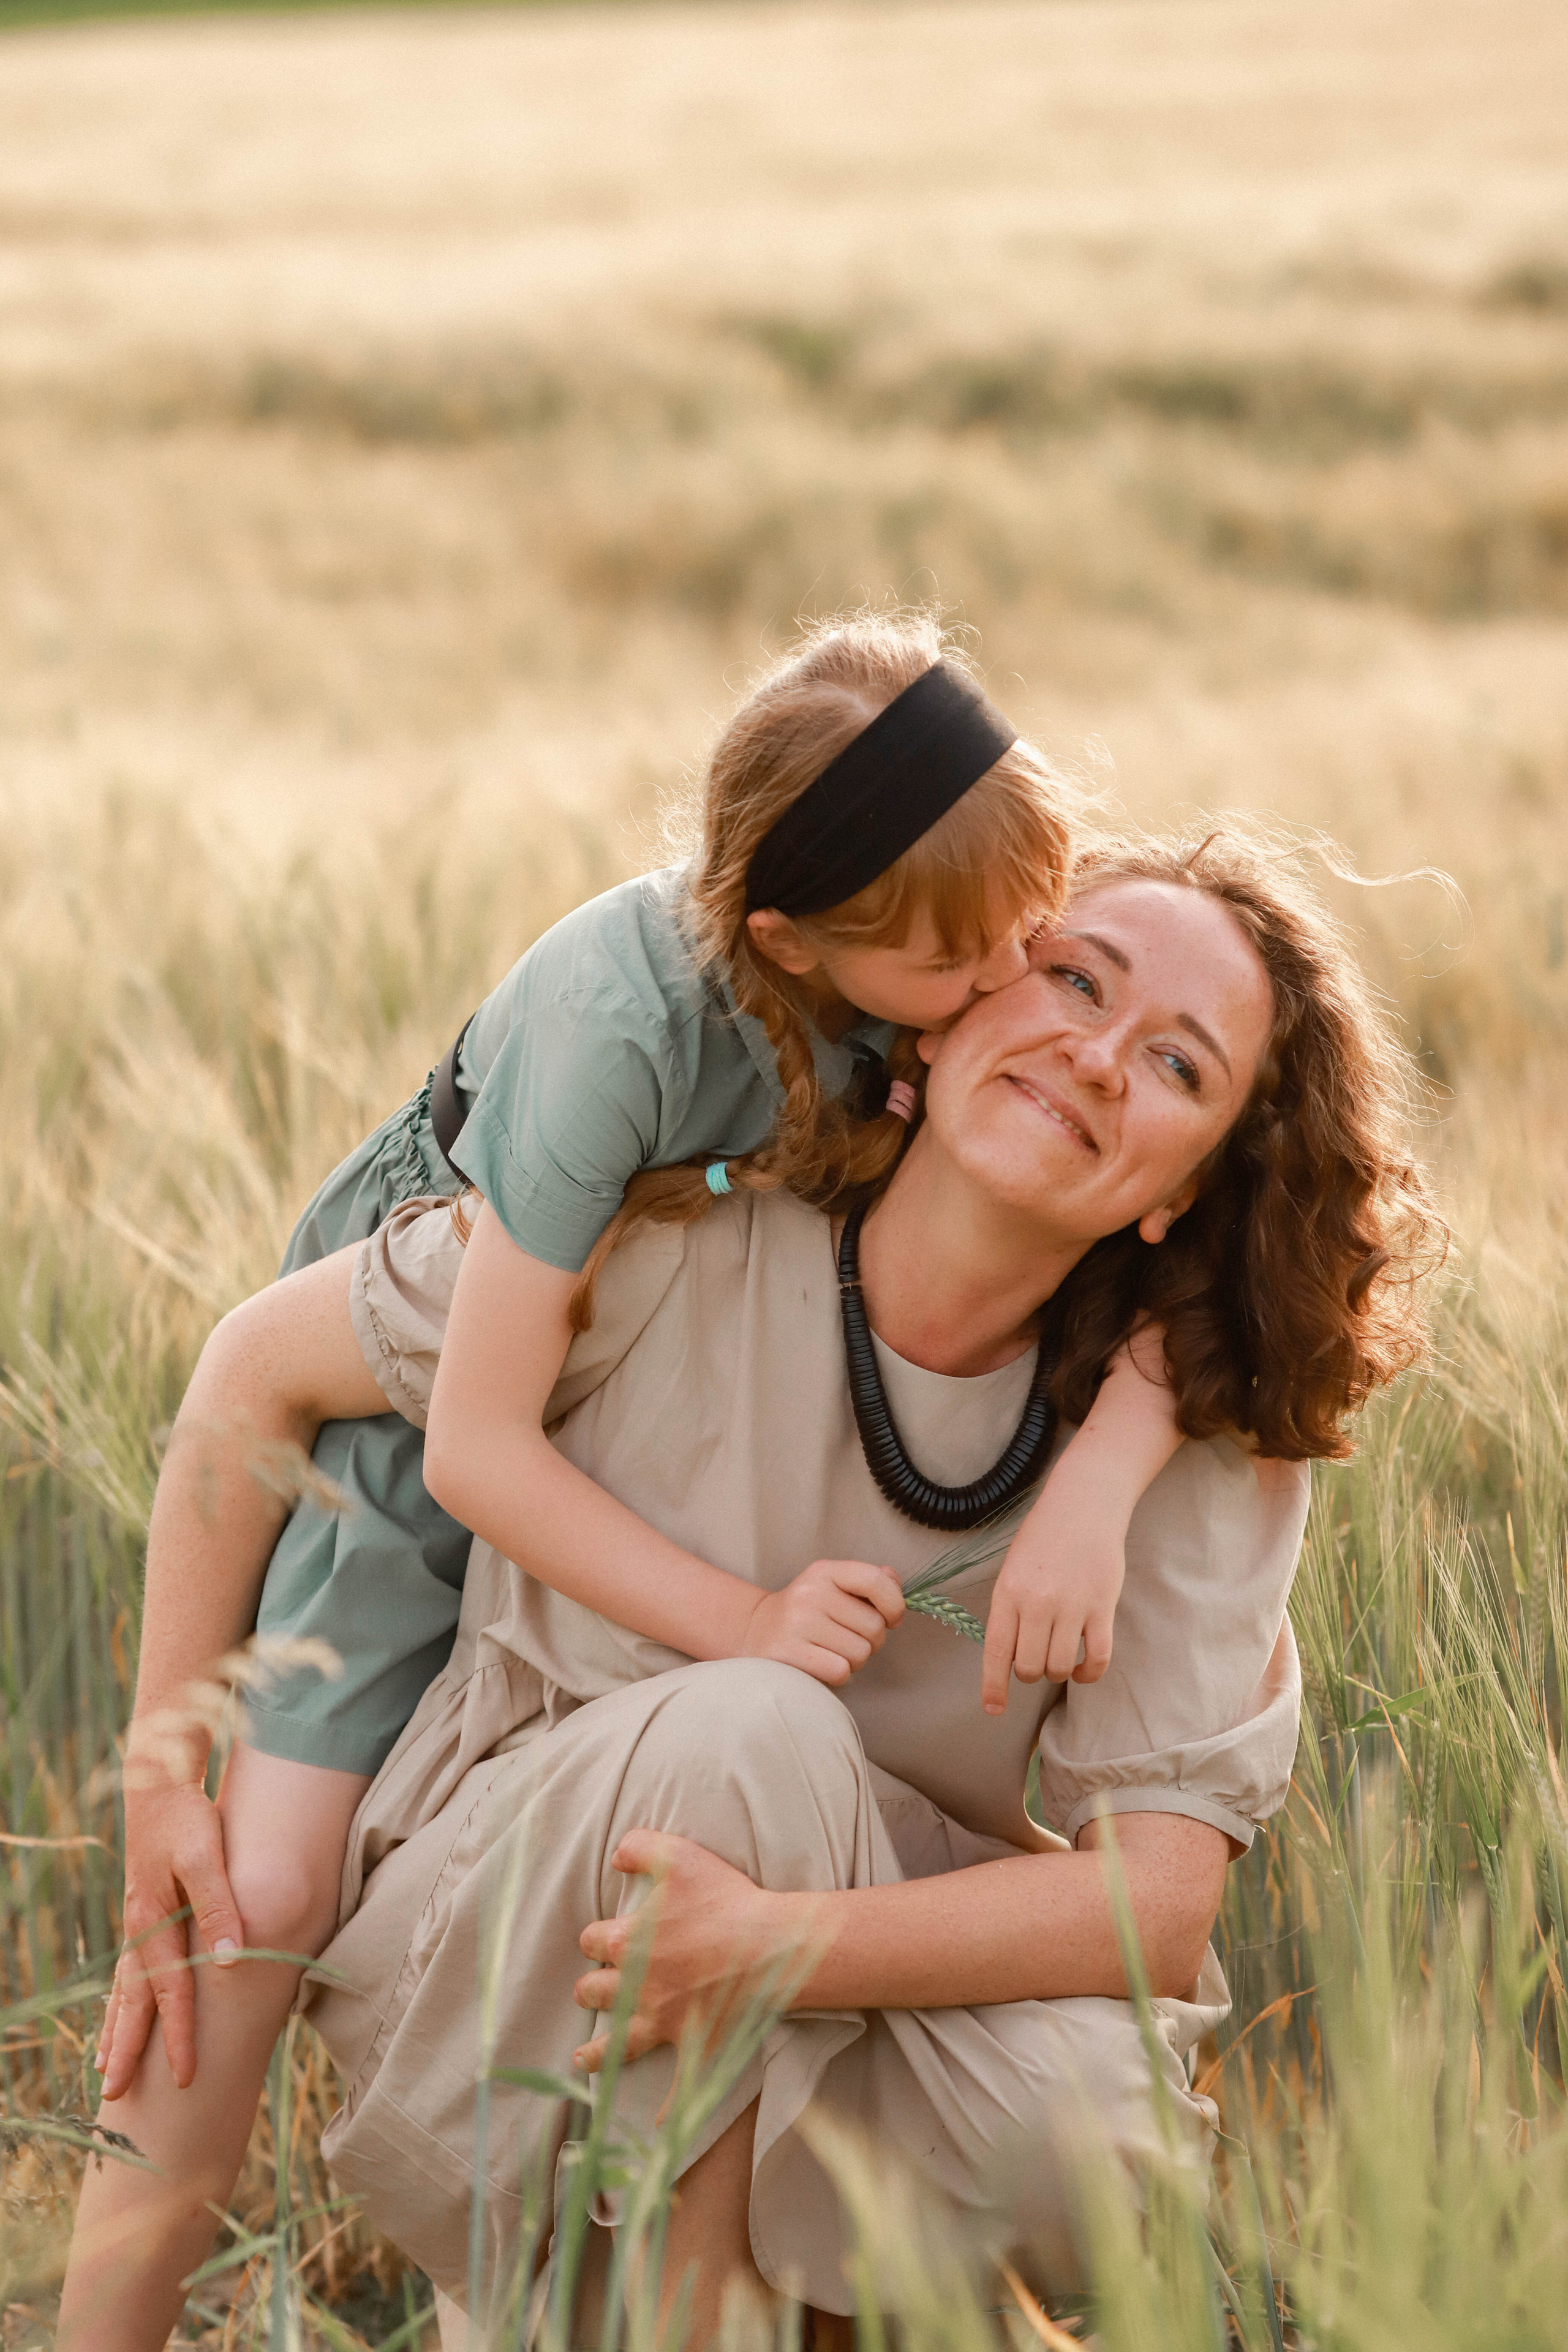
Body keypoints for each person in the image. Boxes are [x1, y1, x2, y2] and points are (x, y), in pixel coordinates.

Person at [59, 827, 1443, 2350]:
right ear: (953, 1006)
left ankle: (676, 2309)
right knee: (752, 1732)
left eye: (1176, 1066)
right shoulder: (660, 1233)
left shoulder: (1185, 1454)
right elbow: (252, 1371)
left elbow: (1157, 1915)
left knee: (1097, 2125)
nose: (1097, 1057)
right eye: (1070, 978)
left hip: (835, 1978)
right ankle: (678, 2311)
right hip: (512, 1945)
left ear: (1183, 1190)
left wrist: (774, 1945)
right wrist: (166, 1770)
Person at [94, 621, 1191, 2144]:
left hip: (640, 1378)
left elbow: (1213, 1258)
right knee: (256, 1900)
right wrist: (163, 1779)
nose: (1014, 978)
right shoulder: (619, 1036)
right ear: (789, 941)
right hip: (444, 1384)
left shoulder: (937, 930)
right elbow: (461, 1441)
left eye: (1037, 925)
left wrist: (1104, 1469)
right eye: (961, 959)